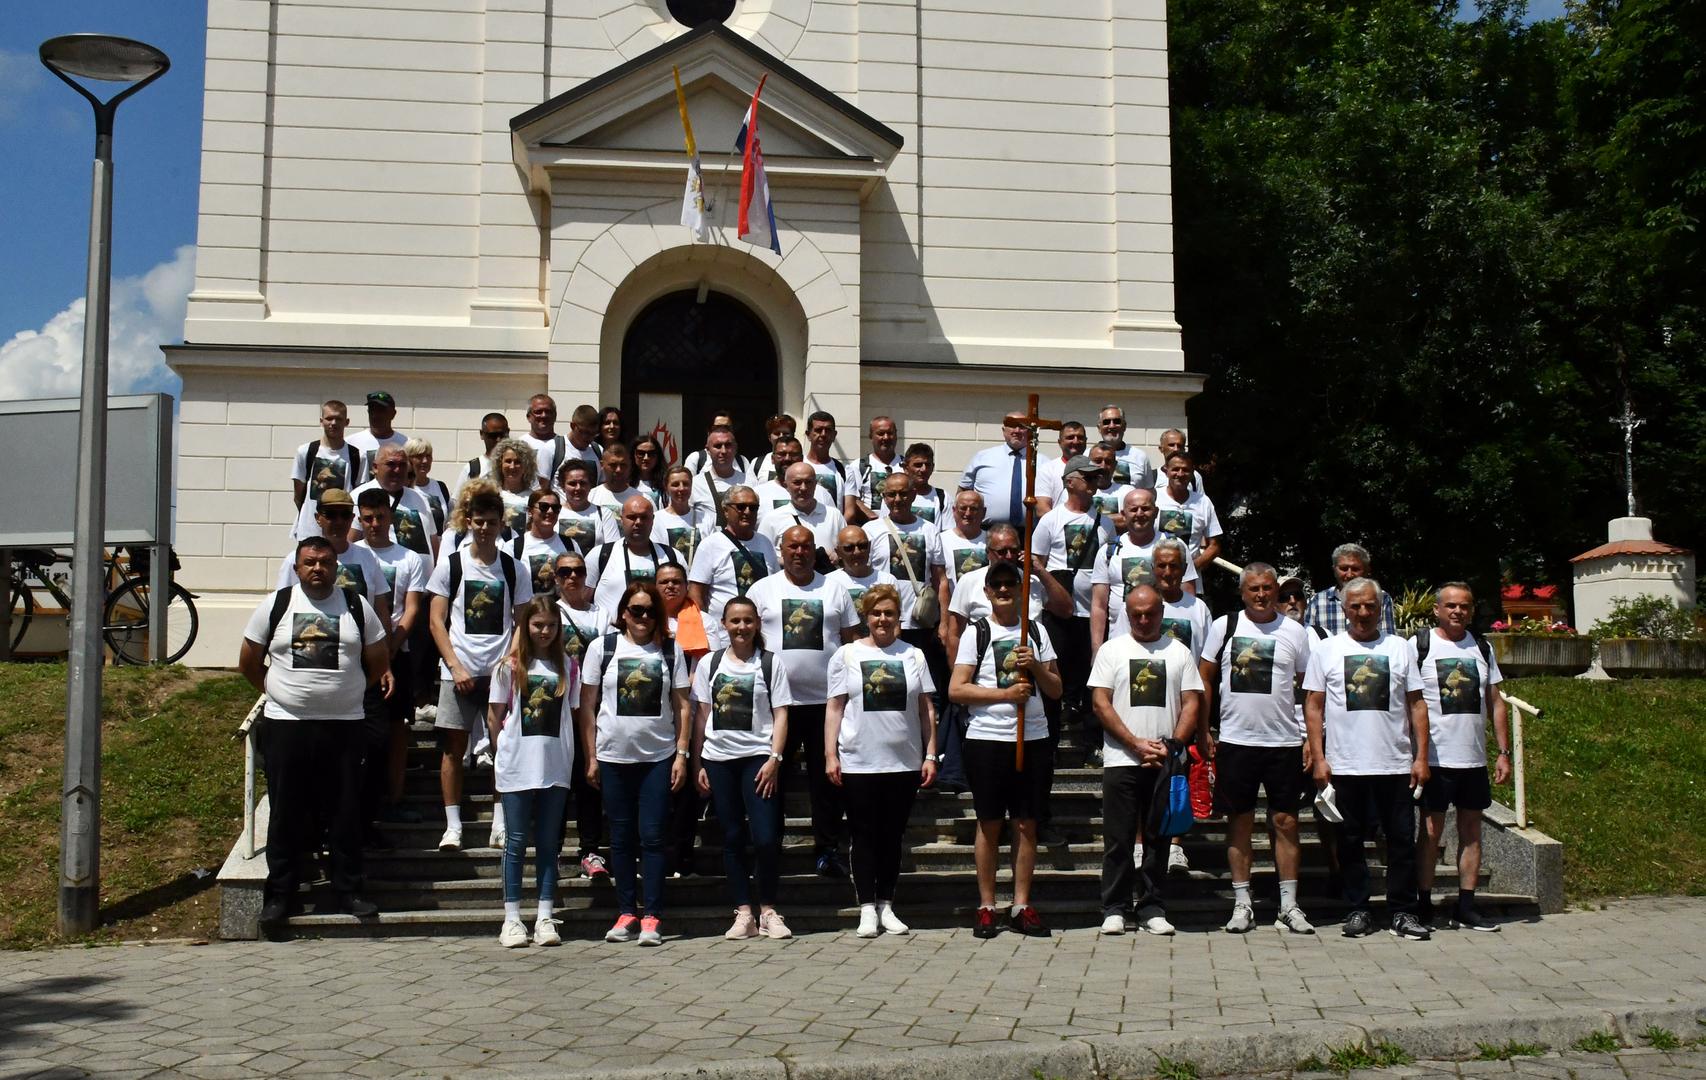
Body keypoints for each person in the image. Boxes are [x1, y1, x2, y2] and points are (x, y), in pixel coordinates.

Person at [238, 537, 389, 930]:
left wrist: (345, 694)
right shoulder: (277, 605)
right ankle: (280, 897)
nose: (317, 569)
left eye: (324, 562)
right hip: (287, 727)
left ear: (337, 566)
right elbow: (249, 661)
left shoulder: (357, 606)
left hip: (345, 727)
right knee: (286, 812)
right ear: (297, 567)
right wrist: (281, 695)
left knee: (345, 812)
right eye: (309, 562)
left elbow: (377, 661)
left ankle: (350, 891)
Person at [1303, 577, 1432, 940]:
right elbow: (1313, 706)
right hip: (1345, 764)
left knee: (1402, 841)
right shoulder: (1326, 651)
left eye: (1370, 606)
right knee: (1349, 841)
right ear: (1344, 609)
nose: (1363, 613)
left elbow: (1417, 704)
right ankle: (1358, 908)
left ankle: (1403, 912)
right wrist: (1319, 756)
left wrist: (1421, 758)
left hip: (1395, 764)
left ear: (1380, 609)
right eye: (1355, 606)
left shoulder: (1399, 648)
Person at [1198, 563, 1317, 935]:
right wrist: (1204, 728)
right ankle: (1242, 903)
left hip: (1283, 742)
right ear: (1243, 592)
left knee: (1286, 822)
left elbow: (1310, 687)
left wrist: (1311, 738)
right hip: (1236, 740)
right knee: (1240, 823)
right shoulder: (1225, 626)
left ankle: (1289, 904)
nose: (1262, 595)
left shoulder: (1295, 632)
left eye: (1268, 588)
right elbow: (1204, 676)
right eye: (1254, 589)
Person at [949, 561, 1063, 938]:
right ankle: (986, 904)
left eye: (1009, 583)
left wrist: (1037, 669)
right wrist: (1004, 694)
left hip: (1032, 736)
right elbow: (957, 689)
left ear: (1020, 589)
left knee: (1027, 822)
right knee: (990, 822)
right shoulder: (976, 633)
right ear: (986, 592)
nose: (1003, 589)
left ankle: (1021, 904)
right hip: (988, 738)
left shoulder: (1036, 631)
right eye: (995, 584)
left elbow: (1056, 689)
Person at [578, 582, 691, 947]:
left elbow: (683, 706)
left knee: (654, 837)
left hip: (657, 757)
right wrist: (591, 756)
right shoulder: (602, 647)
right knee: (622, 839)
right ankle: (627, 911)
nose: (642, 617)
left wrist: (682, 754)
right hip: (613, 756)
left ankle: (653, 915)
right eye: (635, 610)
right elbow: (588, 707)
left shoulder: (670, 650)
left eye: (649, 611)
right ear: (623, 612)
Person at [1089, 585, 1203, 936]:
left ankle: (1152, 905)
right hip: (1122, 759)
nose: (1142, 619)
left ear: (1161, 614)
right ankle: (1115, 907)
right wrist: (1135, 743)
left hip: (1165, 761)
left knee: (1159, 839)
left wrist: (1173, 745)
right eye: (1135, 613)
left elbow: (1192, 703)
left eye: (1149, 613)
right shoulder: (1112, 650)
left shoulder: (1179, 652)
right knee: (1119, 839)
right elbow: (1100, 703)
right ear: (1127, 614)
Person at [826, 585, 939, 937]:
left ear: (898, 617)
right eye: (876, 613)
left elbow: (926, 709)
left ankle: (886, 905)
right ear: (866, 617)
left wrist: (931, 753)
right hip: (859, 760)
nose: (883, 619)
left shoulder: (914, 655)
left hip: (903, 762)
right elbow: (835, 707)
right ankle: (865, 908)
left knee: (892, 836)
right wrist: (830, 754)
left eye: (889, 613)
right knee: (863, 835)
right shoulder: (846, 655)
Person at [426, 488, 534, 852]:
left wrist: (511, 660)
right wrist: (454, 666)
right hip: (458, 671)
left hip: (499, 674)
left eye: (491, 522)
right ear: (467, 523)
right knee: (453, 749)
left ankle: (500, 823)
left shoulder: (514, 568)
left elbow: (522, 622)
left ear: (501, 523)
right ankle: (453, 826)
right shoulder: (451, 565)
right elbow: (436, 622)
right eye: (479, 522)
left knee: (502, 748)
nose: (485, 528)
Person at [750, 525, 861, 878]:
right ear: (781, 550)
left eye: (806, 547)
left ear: (815, 551)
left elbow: (850, 642)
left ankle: (827, 849)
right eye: (792, 546)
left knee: (826, 780)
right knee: (771, 777)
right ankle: (770, 846)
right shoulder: (762, 589)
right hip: (775, 702)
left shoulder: (835, 588)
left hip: (825, 703)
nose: (799, 552)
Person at [691, 595, 795, 938]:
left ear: (757, 624)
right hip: (720, 760)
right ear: (724, 624)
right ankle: (744, 912)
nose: (741, 627)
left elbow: (781, 714)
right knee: (733, 836)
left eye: (748, 621)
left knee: (765, 837)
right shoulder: (709, 663)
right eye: (735, 621)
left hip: (758, 760)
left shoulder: (769, 662)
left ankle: (768, 909)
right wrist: (700, 761)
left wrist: (775, 759)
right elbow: (702, 716)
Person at [1412, 582, 1510, 932]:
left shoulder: (1481, 647)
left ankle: (1466, 905)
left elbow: (1495, 701)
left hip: (1474, 760)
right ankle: (1422, 904)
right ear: (1437, 609)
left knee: (1471, 831)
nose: (1457, 612)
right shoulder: (1419, 646)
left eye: (1464, 606)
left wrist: (1503, 752)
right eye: (1451, 606)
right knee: (1430, 832)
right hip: (1435, 758)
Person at [487, 597, 577, 948]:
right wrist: (503, 752)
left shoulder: (568, 666)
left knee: (548, 844)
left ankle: (544, 916)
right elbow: (495, 716)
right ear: (526, 626)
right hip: (517, 765)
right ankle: (511, 919)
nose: (544, 631)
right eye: (538, 624)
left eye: (551, 626)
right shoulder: (508, 667)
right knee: (516, 842)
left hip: (555, 765)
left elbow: (571, 713)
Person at [1030, 456, 1119, 762]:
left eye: (1097, 477)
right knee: (1054, 680)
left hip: (1093, 615)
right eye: (1088, 477)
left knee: (1095, 680)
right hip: (1058, 614)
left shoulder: (1105, 523)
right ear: (1070, 481)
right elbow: (1035, 563)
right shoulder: (1051, 521)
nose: (1095, 481)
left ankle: (1093, 742)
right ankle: (1051, 743)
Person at [353, 488, 428, 830]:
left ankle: (393, 799)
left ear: (390, 517)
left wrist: (392, 646)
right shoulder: (351, 555)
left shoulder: (408, 558)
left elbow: (411, 608)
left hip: (397, 653)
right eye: (367, 518)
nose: (374, 524)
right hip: (355, 656)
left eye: (380, 517)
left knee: (397, 730)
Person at [553, 551, 611, 880]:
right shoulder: (550, 612)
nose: (572, 577)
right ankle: (555, 848)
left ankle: (590, 850)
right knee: (559, 784)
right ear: (556, 578)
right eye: (565, 572)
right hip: (559, 710)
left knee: (590, 783)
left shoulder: (601, 614)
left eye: (578, 571)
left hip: (592, 710)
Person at [1091, 487, 1199, 657]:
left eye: (1145, 508)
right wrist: (1096, 650)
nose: (1139, 514)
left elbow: (1188, 596)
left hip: (1166, 643)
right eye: (1133, 509)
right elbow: (1098, 606)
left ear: (1156, 512)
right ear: (1123, 514)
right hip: (1121, 642)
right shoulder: (1108, 551)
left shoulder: (1175, 547)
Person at [946, 523, 1072, 661]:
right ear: (988, 552)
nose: (1009, 556)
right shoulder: (969, 581)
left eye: (1014, 550)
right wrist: (958, 676)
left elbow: (1066, 610)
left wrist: (1041, 571)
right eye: (1001, 551)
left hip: (1031, 666)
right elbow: (954, 635)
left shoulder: (1032, 582)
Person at [277, 489, 390, 616]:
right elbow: (281, 606)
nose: (339, 521)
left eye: (345, 515)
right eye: (331, 515)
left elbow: (381, 610)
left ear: (352, 518)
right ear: (318, 518)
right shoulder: (297, 559)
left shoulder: (368, 557)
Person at [686, 485, 777, 644]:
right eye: (741, 507)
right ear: (726, 510)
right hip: (723, 640)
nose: (747, 512)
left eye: (753, 507)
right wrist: (705, 635)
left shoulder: (765, 543)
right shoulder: (710, 545)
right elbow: (696, 594)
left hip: (763, 638)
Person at [587, 495, 681, 615]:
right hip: (613, 632)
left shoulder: (672, 556)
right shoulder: (600, 555)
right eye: (632, 517)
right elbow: (581, 602)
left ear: (652, 520)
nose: (638, 522)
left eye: (644, 517)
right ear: (621, 520)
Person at [290, 400, 364, 541]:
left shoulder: (358, 456)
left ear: (346, 422)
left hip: (342, 532)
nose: (333, 423)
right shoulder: (306, 451)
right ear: (321, 421)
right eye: (329, 418)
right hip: (309, 531)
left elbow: (358, 494)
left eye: (338, 419)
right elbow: (298, 495)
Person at [349, 444, 438, 561]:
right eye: (391, 464)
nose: (397, 470)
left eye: (402, 465)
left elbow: (433, 541)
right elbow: (350, 543)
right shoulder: (358, 496)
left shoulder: (419, 498)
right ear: (375, 467)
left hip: (424, 577)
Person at [958, 414, 1041, 527]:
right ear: (1003, 430)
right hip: (987, 532)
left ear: (1030, 431)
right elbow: (963, 492)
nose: (1017, 430)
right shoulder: (982, 457)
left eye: (1022, 426)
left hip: (1030, 534)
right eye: (1012, 426)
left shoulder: (1043, 462)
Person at [1154, 451, 1222, 587]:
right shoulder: (1153, 498)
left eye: (1185, 470)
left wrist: (1191, 567)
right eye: (1175, 469)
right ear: (1166, 471)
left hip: (1191, 584)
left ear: (1192, 473)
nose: (1180, 474)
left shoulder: (1203, 502)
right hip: (1157, 582)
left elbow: (1214, 546)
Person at [758, 461, 847, 563]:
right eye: (797, 483)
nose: (803, 488)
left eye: (808, 482)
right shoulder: (772, 519)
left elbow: (848, 547)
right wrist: (788, 561)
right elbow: (762, 557)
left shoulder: (834, 515)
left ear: (815, 484)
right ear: (786, 485)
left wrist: (838, 555)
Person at [1304, 543, 1399, 636]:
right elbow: (1310, 637)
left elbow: (1388, 639)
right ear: (1334, 570)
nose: (1349, 575)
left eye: (1355, 569)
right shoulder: (1318, 600)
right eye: (1344, 569)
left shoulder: (1381, 598)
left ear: (1367, 570)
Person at [1154, 538, 1213, 659]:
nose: (1167, 573)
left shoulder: (1199, 609)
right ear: (1152, 568)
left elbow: (1208, 659)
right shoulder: (1136, 606)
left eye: (1173, 566)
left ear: (1185, 569)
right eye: (1161, 566)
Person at [512, 488, 569, 602]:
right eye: (544, 507)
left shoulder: (570, 545)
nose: (550, 511)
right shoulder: (513, 547)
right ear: (530, 511)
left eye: (555, 508)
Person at [554, 459, 620, 554]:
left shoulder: (605, 514)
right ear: (562, 486)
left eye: (583, 483)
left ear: (590, 485)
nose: (578, 488)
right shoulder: (554, 513)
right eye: (572, 483)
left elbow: (612, 551)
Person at [689, 425, 747, 527]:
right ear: (707, 450)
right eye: (718, 446)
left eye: (728, 445)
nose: (723, 451)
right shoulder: (695, 484)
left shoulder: (748, 481)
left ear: (735, 448)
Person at [652, 464, 710, 565]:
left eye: (686, 484)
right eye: (675, 484)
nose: (681, 488)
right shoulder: (656, 519)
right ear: (666, 488)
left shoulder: (705, 518)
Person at [849, 415, 900, 524]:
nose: (886, 437)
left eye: (890, 433)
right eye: (880, 433)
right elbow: (852, 499)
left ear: (896, 435)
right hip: (869, 530)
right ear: (871, 436)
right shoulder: (858, 466)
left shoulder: (906, 466)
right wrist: (873, 519)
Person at [802, 410, 853, 519]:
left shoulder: (845, 471)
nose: (823, 434)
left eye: (828, 430)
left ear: (834, 435)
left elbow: (849, 511)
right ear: (808, 435)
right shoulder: (797, 467)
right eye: (818, 430)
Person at [347, 390, 408, 478]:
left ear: (393, 414)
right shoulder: (351, 443)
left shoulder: (405, 444)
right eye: (372, 410)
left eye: (381, 410)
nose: (375, 415)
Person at [1096, 405, 1157, 489]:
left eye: (1116, 421)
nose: (1112, 426)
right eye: (1106, 422)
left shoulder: (1140, 456)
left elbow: (1149, 490)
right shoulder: (1087, 456)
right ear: (1099, 428)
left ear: (1124, 426)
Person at [486, 438, 540, 534]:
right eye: (508, 461)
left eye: (518, 462)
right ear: (500, 464)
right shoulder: (491, 495)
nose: (512, 466)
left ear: (526, 466)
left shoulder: (534, 498)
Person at [451, 412, 510, 498]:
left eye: (502, 435)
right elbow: (456, 502)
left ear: (508, 432)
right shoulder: (473, 468)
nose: (498, 439)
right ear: (482, 434)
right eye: (493, 435)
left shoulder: (518, 466)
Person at [1034, 421, 1088, 509]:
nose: (1075, 441)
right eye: (1070, 437)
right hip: (1057, 522)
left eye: (1080, 437)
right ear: (1060, 442)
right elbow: (1042, 509)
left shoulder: (1095, 468)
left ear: (1086, 441)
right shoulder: (1047, 470)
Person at [405, 438, 452, 535]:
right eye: (419, 456)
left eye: (428, 456)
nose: (425, 461)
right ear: (408, 459)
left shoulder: (440, 487)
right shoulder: (404, 489)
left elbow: (450, 520)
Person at [898, 443, 948, 525]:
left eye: (928, 465)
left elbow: (946, 533)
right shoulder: (894, 497)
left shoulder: (943, 497)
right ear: (906, 468)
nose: (923, 469)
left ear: (932, 468)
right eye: (918, 465)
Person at [1088, 441, 1136, 527]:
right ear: (1088, 463)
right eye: (1098, 461)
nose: (1103, 466)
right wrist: (1117, 518)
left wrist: (1091, 519)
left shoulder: (1128, 492)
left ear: (1115, 465)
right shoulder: (1078, 492)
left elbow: (1131, 520)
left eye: (1108, 462)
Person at [519, 394, 566, 481]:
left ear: (555, 415)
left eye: (548, 411)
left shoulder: (563, 445)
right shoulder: (520, 445)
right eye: (538, 412)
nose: (544, 415)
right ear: (528, 417)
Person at [589, 442, 645, 512]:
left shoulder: (643, 499)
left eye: (623, 465)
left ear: (630, 465)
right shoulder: (590, 497)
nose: (618, 470)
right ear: (602, 465)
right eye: (613, 465)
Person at [752, 436, 803, 511]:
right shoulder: (757, 494)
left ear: (802, 459)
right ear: (772, 459)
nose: (787, 458)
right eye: (782, 454)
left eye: (793, 454)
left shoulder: (818, 492)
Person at [744, 413, 797, 484]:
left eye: (786, 433)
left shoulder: (804, 462)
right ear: (769, 437)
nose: (781, 436)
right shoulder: (757, 463)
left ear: (793, 436)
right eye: (777, 433)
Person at [683, 410, 739, 476]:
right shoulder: (696, 459)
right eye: (717, 427)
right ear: (708, 431)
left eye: (727, 427)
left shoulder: (742, 462)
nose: (722, 431)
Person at [1155, 429, 1206, 495]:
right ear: (1161, 449)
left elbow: (1200, 502)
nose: (1176, 449)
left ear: (1184, 449)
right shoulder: (1152, 477)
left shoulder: (1194, 476)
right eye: (1171, 445)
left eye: (1179, 445)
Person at [630, 435, 666, 503]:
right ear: (633, 455)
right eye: (641, 453)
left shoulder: (665, 483)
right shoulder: (625, 482)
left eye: (651, 453)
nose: (646, 458)